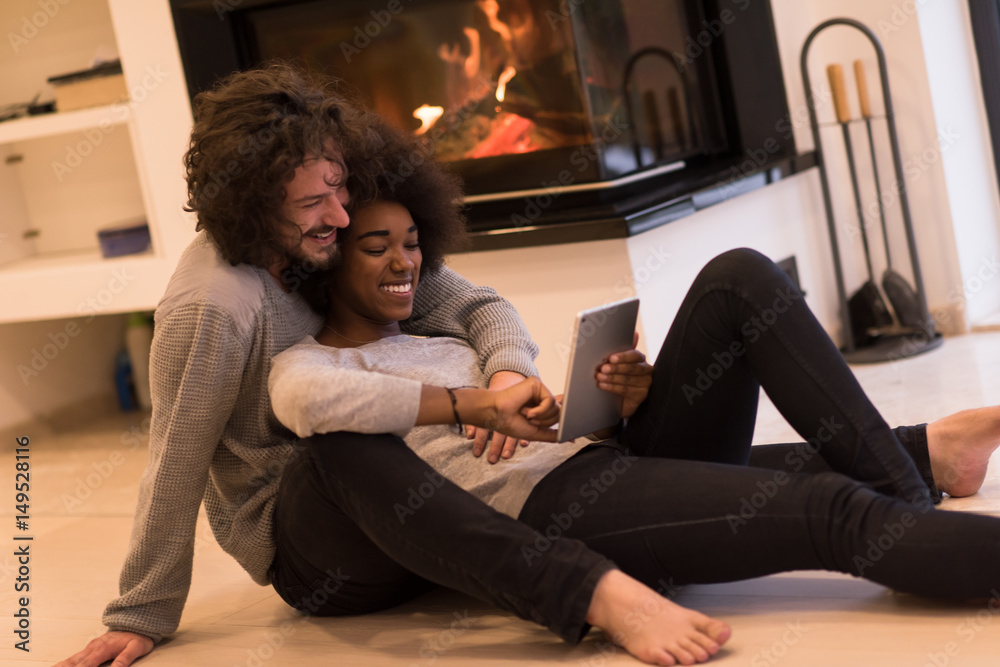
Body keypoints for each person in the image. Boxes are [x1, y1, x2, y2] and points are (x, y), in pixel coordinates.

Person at [268, 187, 1000, 665]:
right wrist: (470, 404)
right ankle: (916, 522)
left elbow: (527, 422)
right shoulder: (309, 367)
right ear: (328, 267)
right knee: (830, 512)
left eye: (410, 242)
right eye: (376, 247)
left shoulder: (444, 341)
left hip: (596, 458)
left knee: (739, 276)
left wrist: (621, 402)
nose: (404, 261)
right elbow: (306, 405)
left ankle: (908, 507)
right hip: (553, 512)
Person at [57, 62, 628, 667]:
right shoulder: (214, 308)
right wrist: (141, 615)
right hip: (317, 542)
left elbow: (477, 307)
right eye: (312, 201)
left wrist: (507, 373)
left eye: (339, 185)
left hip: (403, 509)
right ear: (252, 206)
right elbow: (176, 462)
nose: (341, 214)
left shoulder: (324, 240)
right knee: (337, 442)